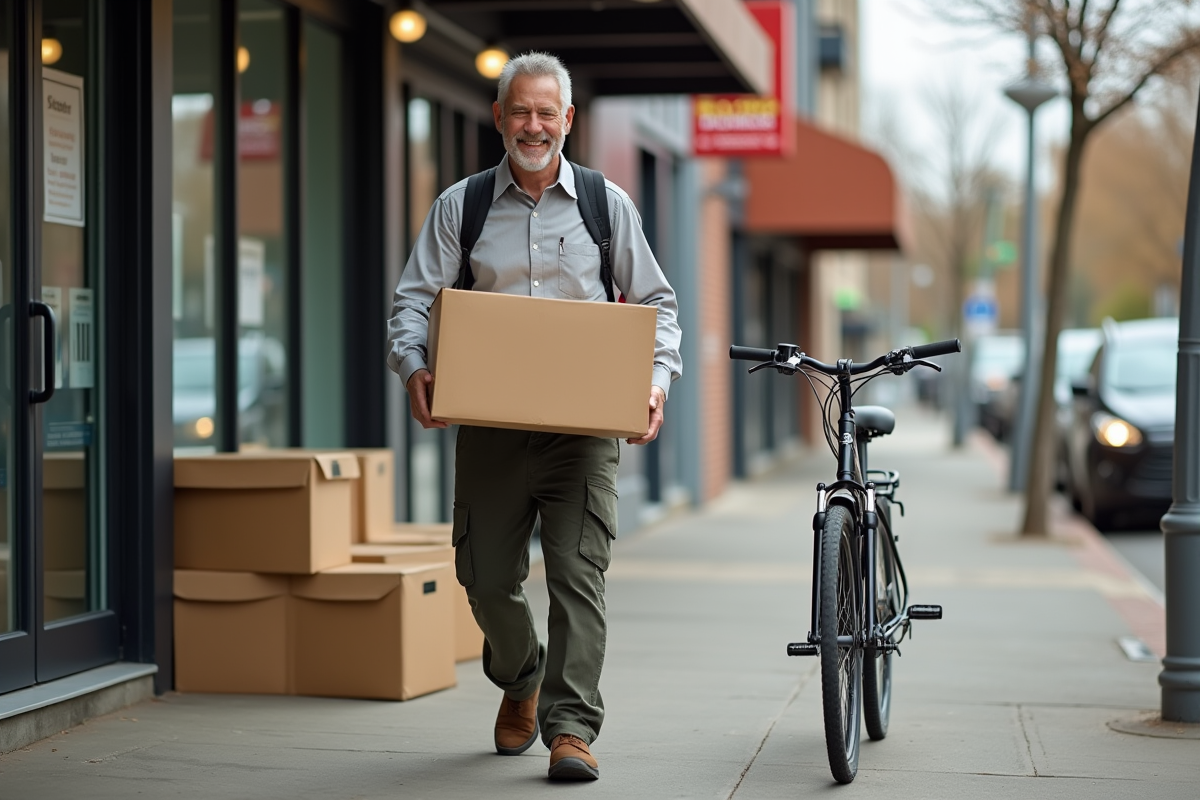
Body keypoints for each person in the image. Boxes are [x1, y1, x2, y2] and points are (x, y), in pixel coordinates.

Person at [386, 51, 681, 782]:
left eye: (547, 112)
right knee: (486, 577)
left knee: (579, 576)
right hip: (489, 425)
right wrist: (415, 366)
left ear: (569, 120)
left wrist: (655, 381)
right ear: (498, 118)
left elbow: (657, 305)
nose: (534, 125)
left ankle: (571, 728)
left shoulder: (606, 205)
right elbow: (412, 301)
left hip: (583, 431)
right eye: (520, 111)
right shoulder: (463, 206)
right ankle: (522, 677)